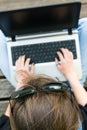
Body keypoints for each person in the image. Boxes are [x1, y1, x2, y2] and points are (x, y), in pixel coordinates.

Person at [0, 17, 87, 130]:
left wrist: (22, 83)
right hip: (67, 88)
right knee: (85, 25)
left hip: (27, 87)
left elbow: (5, 122)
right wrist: (71, 74)